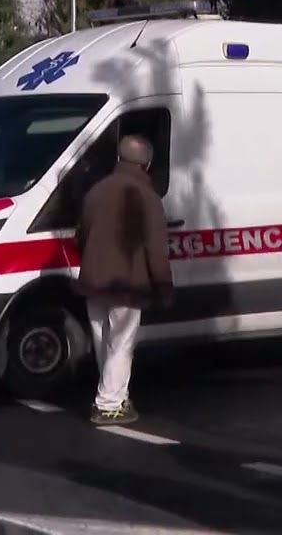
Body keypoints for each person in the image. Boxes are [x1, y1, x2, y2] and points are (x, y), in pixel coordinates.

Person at [74, 134, 172, 426]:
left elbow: (81, 236)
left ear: (119, 158)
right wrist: (164, 288)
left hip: (93, 281)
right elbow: (156, 250)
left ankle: (113, 393)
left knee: (104, 341)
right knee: (121, 344)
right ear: (147, 164)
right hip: (128, 284)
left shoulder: (95, 191)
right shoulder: (147, 197)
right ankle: (110, 404)